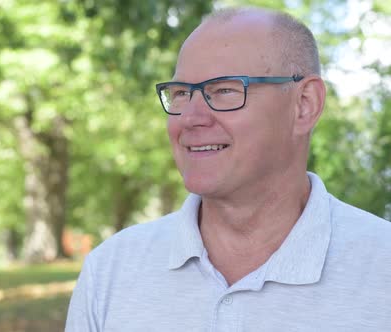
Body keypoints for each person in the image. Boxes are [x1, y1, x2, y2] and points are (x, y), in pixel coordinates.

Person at [65, 6, 391, 332]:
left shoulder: (381, 271)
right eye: (180, 94)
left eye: (224, 90)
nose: (191, 118)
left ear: (304, 105)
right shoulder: (110, 272)